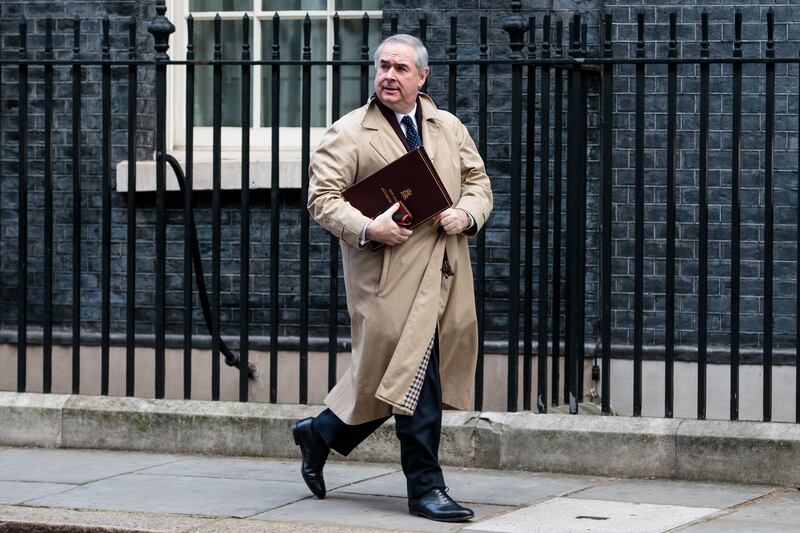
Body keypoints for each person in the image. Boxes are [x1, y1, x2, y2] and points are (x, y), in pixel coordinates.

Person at [292, 33, 492, 523]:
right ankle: (427, 488)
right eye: (383, 66)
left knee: (395, 380)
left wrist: (466, 214)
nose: (389, 76)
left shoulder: (447, 127)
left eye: (401, 68)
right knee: (413, 383)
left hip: (443, 274)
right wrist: (368, 227)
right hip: (386, 278)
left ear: (422, 77)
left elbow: (478, 183)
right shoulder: (348, 133)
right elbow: (323, 199)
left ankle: (320, 433)